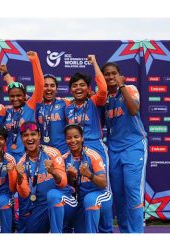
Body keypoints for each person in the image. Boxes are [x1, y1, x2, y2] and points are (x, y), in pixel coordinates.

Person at [102, 62, 147, 233]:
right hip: (114, 149)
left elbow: (134, 109)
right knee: (119, 197)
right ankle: (125, 236)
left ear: (120, 75)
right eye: (107, 74)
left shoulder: (130, 88)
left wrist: (122, 86)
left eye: (114, 73)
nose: (110, 77)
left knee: (132, 192)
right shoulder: (104, 97)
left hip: (134, 146)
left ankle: (136, 237)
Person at [14, 121, 73, 233]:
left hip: (62, 199)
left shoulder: (53, 153)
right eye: (25, 135)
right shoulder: (21, 163)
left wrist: (53, 172)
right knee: (31, 231)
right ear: (21, 138)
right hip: (40, 205)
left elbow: (64, 182)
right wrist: (20, 178)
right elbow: (25, 194)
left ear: (39, 135)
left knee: (53, 195)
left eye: (33, 134)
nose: (29, 138)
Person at [63, 124, 112, 233]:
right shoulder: (64, 159)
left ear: (82, 138)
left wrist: (89, 174)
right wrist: (70, 178)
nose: (73, 140)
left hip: (100, 195)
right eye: (69, 138)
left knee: (90, 200)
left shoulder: (92, 155)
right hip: (81, 199)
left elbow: (104, 183)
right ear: (65, 140)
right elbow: (66, 186)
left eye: (76, 137)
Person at [0, 51, 44, 163]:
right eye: (12, 96)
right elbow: (13, 88)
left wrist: (34, 61)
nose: (15, 98)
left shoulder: (30, 106)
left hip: (27, 155)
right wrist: (6, 74)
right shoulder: (7, 111)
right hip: (8, 156)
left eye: (19, 96)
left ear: (25, 96)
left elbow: (40, 85)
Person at [35, 74, 70, 154]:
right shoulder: (36, 105)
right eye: (45, 85)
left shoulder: (65, 103)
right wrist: (6, 73)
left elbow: (80, 102)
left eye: (52, 85)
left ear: (56, 89)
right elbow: (19, 92)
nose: (49, 88)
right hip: (44, 152)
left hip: (63, 151)